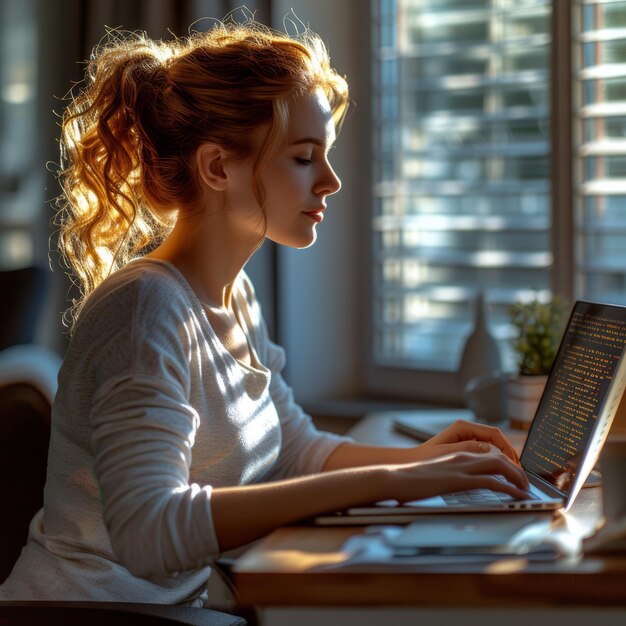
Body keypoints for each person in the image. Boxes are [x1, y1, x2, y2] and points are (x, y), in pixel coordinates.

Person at [0, 18, 530, 610]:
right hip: (92, 618)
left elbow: (293, 449)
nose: (330, 181)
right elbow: (148, 534)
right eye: (304, 158)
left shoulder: (235, 295)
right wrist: (398, 482)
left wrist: (426, 460)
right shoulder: (146, 310)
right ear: (218, 168)